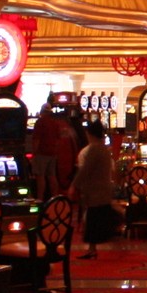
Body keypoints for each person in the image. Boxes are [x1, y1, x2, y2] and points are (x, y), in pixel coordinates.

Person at [73, 121, 119, 258]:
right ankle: (92, 249)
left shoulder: (93, 149)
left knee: (93, 221)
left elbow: (85, 170)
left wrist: (74, 185)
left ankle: (92, 250)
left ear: (90, 134)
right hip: (104, 189)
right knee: (96, 219)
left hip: (95, 191)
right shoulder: (104, 149)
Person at [29, 105, 80, 198]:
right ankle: (54, 197)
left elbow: (36, 139)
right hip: (53, 153)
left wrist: (34, 154)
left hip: (42, 152)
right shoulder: (55, 123)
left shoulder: (40, 122)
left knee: (40, 177)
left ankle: (40, 198)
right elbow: (59, 139)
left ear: (42, 111)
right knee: (52, 176)